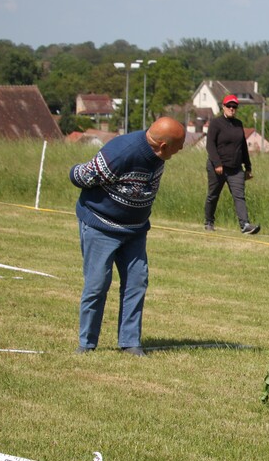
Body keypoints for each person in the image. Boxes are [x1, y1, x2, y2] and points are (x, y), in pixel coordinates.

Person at [70, 116, 186, 356]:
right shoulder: (120, 153)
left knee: (136, 283)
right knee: (97, 284)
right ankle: (87, 344)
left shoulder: (158, 155)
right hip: (101, 226)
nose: (182, 149)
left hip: (135, 230)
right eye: (179, 145)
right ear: (163, 146)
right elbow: (81, 176)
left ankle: (130, 342)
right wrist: (76, 171)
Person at [204, 94, 261, 234]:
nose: (231, 108)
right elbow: (210, 144)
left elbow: (243, 147)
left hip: (235, 169)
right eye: (229, 106)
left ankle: (245, 225)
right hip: (217, 167)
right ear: (223, 107)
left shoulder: (239, 124)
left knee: (239, 196)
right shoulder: (216, 123)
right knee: (213, 195)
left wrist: (248, 167)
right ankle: (209, 222)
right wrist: (217, 164)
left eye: (234, 106)